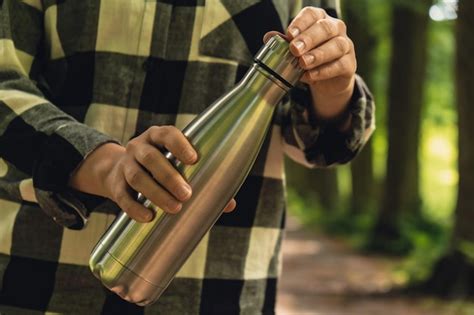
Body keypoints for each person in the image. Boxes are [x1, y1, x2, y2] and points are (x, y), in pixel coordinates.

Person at [0, 0, 375, 314]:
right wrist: (106, 165)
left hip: (221, 291)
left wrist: (335, 86)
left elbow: (324, 145)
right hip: (39, 280)